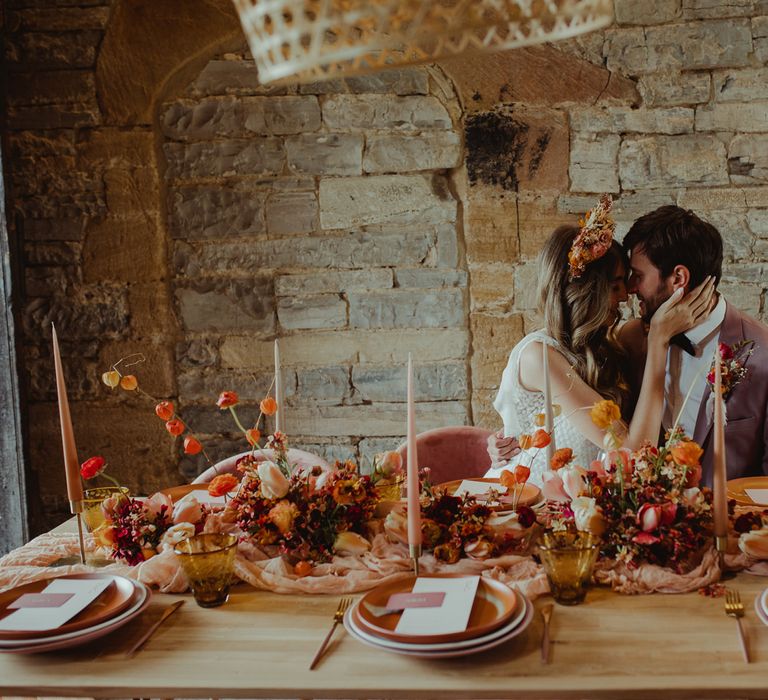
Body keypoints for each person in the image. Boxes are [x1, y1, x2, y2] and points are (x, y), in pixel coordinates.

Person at [486, 196, 714, 486]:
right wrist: (658, 341)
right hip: (531, 500)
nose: (626, 294)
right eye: (616, 284)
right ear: (587, 292)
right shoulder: (538, 356)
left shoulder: (611, 342)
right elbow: (630, 451)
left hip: (588, 504)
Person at [621, 205, 768, 486]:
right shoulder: (634, 340)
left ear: (678, 278)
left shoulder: (763, 353)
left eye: (637, 275)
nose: (630, 288)